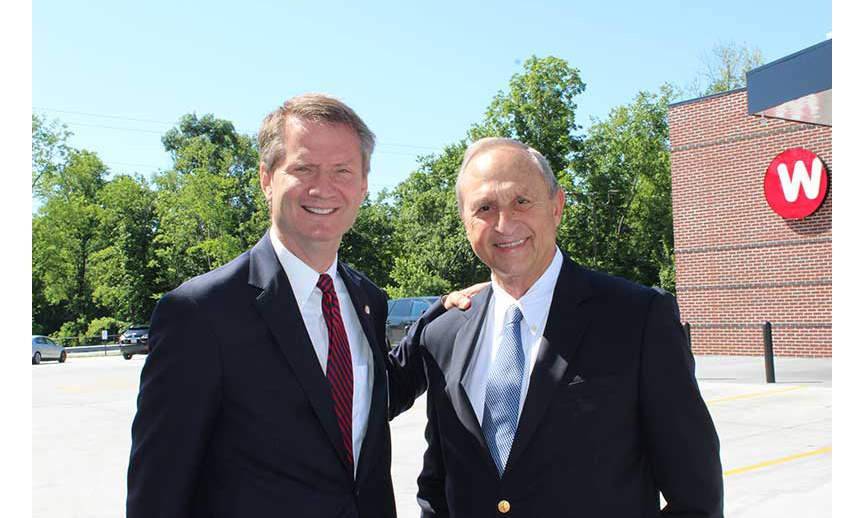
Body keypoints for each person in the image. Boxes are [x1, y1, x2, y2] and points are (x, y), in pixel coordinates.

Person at [126, 93, 429, 518]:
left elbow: (355, 410)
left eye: (343, 171)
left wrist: (440, 322)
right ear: (267, 179)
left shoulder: (368, 301)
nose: (323, 188)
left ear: (363, 186)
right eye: (303, 168)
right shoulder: (201, 313)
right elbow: (158, 489)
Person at [408, 137, 724, 517]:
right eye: (484, 208)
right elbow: (437, 490)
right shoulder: (444, 336)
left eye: (521, 201)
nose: (504, 223)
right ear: (465, 222)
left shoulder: (637, 318)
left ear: (556, 207)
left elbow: (697, 496)